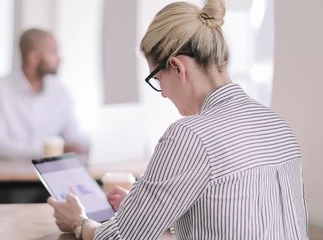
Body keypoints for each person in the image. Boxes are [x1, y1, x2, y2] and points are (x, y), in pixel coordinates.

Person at [47, 0, 308, 239]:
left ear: (178, 66)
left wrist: (78, 222)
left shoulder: (190, 135)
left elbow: (118, 238)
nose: (162, 93)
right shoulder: (277, 125)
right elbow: (243, 215)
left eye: (157, 79)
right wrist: (151, 210)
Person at [0, 28, 89, 160]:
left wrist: (86, 144)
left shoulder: (60, 92)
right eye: (53, 52)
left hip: (53, 173)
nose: (60, 58)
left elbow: (73, 134)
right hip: (10, 175)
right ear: (34, 57)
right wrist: (51, 150)